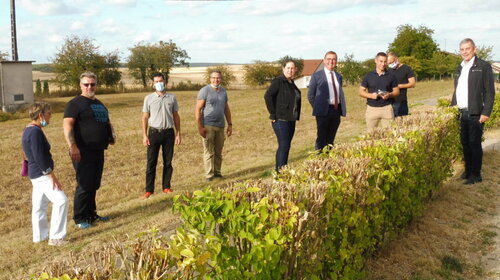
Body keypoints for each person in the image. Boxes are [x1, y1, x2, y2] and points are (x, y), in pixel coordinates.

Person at [63, 72, 115, 229]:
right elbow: (67, 125)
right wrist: (72, 146)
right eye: (86, 84)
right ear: (81, 85)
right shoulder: (75, 104)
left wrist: (110, 135)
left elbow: (107, 121)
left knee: (94, 183)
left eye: (92, 84)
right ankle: (80, 218)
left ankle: (92, 214)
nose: (90, 87)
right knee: (84, 184)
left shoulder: (99, 103)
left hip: (98, 149)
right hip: (82, 150)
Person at [22, 102, 68, 246]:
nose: (50, 117)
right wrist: (51, 175)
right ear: (40, 115)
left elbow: (27, 153)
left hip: (35, 174)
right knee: (61, 201)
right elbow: (39, 156)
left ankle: (40, 237)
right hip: (42, 174)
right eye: (49, 114)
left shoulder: (28, 130)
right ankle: (56, 237)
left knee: (39, 206)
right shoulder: (35, 132)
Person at [451, 38, 495, 185]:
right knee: (464, 143)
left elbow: (490, 92)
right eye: (462, 49)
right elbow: (456, 90)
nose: (464, 52)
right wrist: (452, 107)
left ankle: (476, 175)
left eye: (467, 49)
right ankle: (468, 171)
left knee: (474, 143)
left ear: (474, 49)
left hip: (476, 112)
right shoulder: (460, 67)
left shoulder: (483, 66)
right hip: (462, 111)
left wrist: (486, 112)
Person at [142, 73, 181, 198]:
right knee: (151, 162)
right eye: (156, 81)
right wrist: (144, 135)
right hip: (154, 133)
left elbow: (176, 116)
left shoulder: (172, 98)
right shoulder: (148, 98)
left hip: (169, 132)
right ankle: (149, 190)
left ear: (165, 81)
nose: (159, 83)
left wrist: (178, 133)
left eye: (161, 80)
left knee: (168, 162)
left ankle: (166, 187)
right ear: (153, 83)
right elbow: (145, 117)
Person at [195, 71, 232, 181]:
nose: (216, 80)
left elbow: (226, 108)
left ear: (221, 79)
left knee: (218, 151)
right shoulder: (205, 91)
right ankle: (209, 175)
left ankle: (217, 172)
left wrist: (230, 124)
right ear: (210, 79)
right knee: (209, 151)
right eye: (214, 78)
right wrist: (200, 126)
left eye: (218, 78)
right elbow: (198, 109)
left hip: (220, 125)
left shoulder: (223, 91)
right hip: (208, 125)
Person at [264, 60, 301, 172]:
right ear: (283, 69)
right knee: (284, 146)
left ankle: (283, 169)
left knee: (286, 146)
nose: (290, 70)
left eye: (292, 68)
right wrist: (273, 114)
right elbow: (268, 96)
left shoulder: (291, 83)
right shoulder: (279, 81)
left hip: (290, 119)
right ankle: (280, 173)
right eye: (288, 68)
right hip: (281, 120)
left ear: (295, 70)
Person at [308, 51, 347, 151]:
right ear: (324, 61)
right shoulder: (316, 76)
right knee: (321, 138)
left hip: (336, 110)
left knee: (331, 137)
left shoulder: (338, 76)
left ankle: (329, 158)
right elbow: (311, 95)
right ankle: (319, 159)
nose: (331, 61)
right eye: (329, 59)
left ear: (336, 61)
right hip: (323, 112)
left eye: (334, 59)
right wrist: (318, 107)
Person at [359, 52, 400, 131]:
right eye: (381, 61)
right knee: (371, 136)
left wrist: (389, 94)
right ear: (376, 61)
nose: (383, 64)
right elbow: (361, 92)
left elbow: (397, 91)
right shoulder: (368, 76)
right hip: (372, 109)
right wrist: (371, 96)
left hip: (387, 108)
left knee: (390, 135)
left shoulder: (391, 76)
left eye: (385, 62)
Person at [387, 52, 416, 117]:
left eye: (391, 63)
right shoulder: (388, 71)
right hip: (389, 101)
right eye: (388, 63)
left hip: (401, 101)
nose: (389, 65)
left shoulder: (407, 69)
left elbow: (413, 84)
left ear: (396, 59)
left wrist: (399, 86)